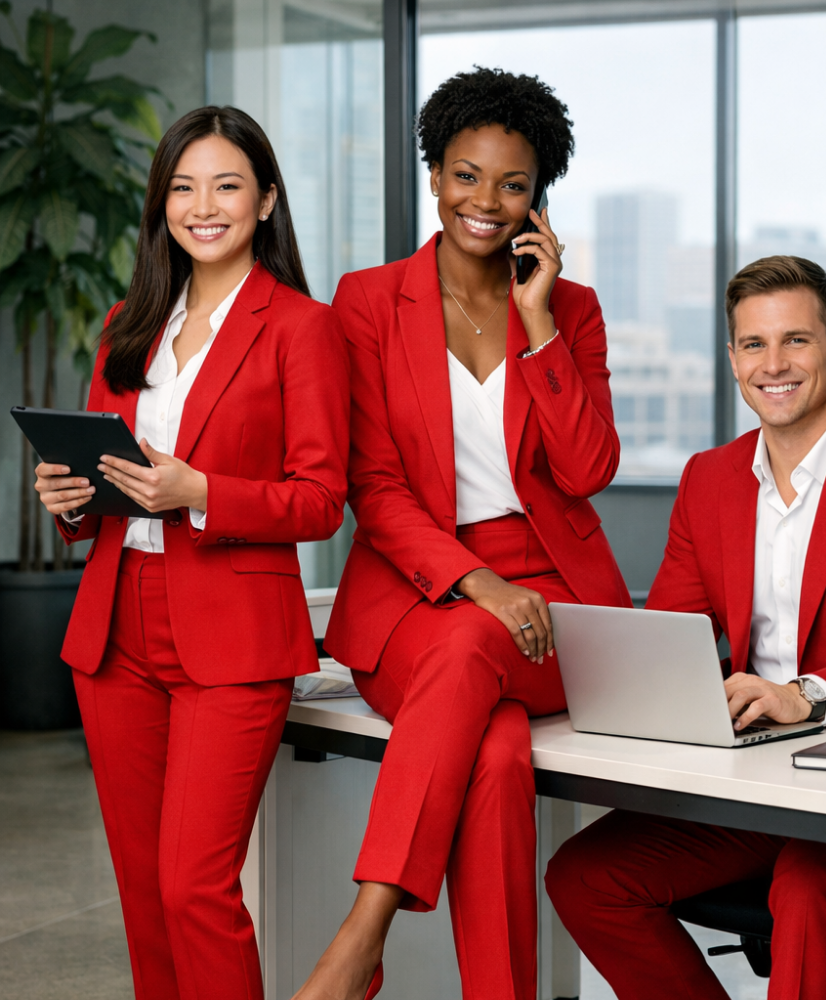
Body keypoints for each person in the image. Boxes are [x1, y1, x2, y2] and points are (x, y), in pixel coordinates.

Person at [544, 255, 826, 1000]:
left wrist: (805, 697)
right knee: (589, 877)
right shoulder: (709, 478)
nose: (774, 364)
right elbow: (674, 626)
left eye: (797, 341)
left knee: (812, 890)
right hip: (763, 775)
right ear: (732, 359)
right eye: (753, 345)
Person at [293, 67, 630, 1000]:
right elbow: (376, 486)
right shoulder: (366, 302)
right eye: (465, 175)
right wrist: (477, 582)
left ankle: (361, 936)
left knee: (481, 674)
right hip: (418, 595)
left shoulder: (574, 310)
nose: (484, 201)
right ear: (434, 173)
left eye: (511, 184)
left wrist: (538, 323)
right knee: (493, 748)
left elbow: (588, 470)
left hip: (557, 601)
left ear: (539, 198)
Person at [34, 106, 350, 1000]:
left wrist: (201, 493)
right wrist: (67, 502)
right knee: (143, 893)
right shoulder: (125, 323)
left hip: (233, 634)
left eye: (226, 185)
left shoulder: (301, 327)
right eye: (182, 187)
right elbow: (97, 478)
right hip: (115, 628)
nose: (202, 206)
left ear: (266, 200)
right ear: (160, 203)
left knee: (194, 887)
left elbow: (323, 500)